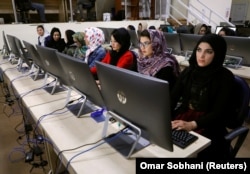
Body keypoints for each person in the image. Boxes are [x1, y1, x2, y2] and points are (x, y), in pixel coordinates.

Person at [171, 34, 235, 158]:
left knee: (191, 151)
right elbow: (172, 98)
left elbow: (218, 112)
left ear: (217, 54)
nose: (201, 56)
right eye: (199, 50)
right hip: (185, 114)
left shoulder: (225, 77)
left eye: (208, 52)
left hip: (209, 123)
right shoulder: (189, 71)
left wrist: (192, 125)